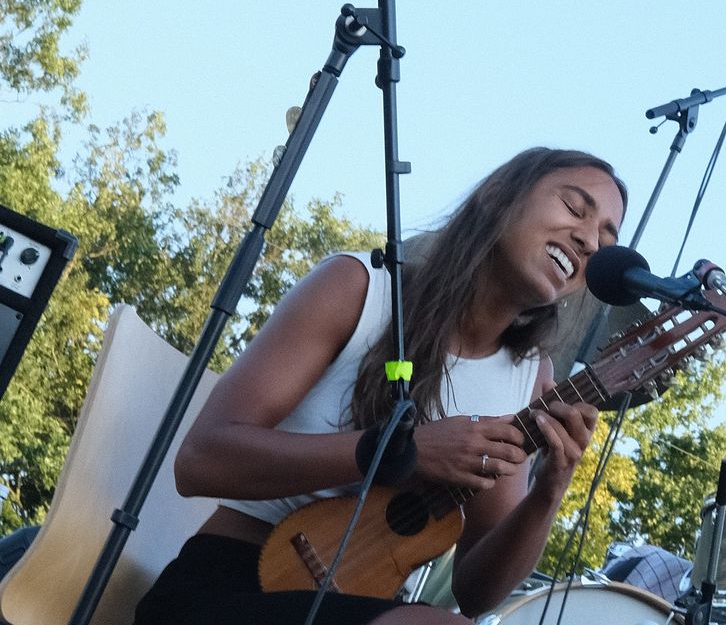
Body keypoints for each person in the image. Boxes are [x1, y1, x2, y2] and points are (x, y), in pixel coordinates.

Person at [134, 148, 627, 625]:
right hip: (222, 587)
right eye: (574, 207)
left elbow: (474, 591)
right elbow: (199, 462)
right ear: (497, 195)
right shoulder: (360, 289)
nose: (589, 241)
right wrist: (392, 452)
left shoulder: (530, 377)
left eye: (606, 241)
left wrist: (548, 492)